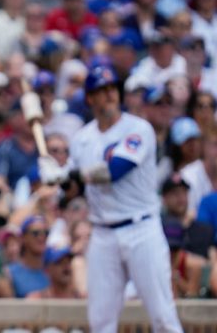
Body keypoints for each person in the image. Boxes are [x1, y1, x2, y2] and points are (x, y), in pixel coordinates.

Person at [40, 64, 182, 333]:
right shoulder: (82, 138)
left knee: (163, 317)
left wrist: (67, 173)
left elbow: (115, 170)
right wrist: (55, 179)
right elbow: (73, 192)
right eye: (101, 91)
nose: (109, 96)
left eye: (111, 89)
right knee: (100, 322)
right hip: (103, 233)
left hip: (141, 229)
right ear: (90, 98)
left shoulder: (138, 129)